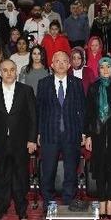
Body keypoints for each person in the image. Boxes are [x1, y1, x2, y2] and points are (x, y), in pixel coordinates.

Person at [0, 59, 37, 220]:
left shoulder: (26, 90)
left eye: (12, 70)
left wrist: (32, 139)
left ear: (16, 72)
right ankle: (1, 208)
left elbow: (33, 117)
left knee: (20, 176)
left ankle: (21, 210)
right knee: (0, 177)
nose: (8, 73)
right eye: (5, 70)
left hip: (21, 142)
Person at [36, 51, 86, 208]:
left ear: (69, 64)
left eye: (64, 61)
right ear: (51, 64)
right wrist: (37, 132)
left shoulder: (77, 83)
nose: (61, 64)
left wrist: (83, 132)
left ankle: (69, 200)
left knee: (71, 170)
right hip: (49, 134)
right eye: (57, 61)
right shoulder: (43, 83)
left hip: (72, 134)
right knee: (48, 171)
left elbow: (82, 109)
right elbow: (39, 110)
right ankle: (48, 202)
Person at [83, 57, 111, 219]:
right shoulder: (93, 88)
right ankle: (101, 201)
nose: (105, 70)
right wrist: (88, 135)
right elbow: (89, 113)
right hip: (97, 132)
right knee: (100, 168)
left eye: (108, 67)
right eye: (102, 67)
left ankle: (110, 202)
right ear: (99, 70)